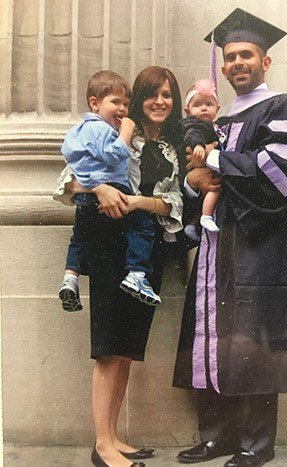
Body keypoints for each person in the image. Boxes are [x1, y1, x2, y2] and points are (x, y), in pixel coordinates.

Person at [173, 8, 287, 467]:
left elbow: (280, 172)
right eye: (230, 57)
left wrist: (215, 164)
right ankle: (216, 436)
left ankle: (257, 445)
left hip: (262, 251)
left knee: (255, 340)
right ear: (223, 67)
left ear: (265, 61)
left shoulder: (282, 108)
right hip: (220, 250)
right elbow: (194, 178)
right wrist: (192, 181)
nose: (237, 62)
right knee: (214, 338)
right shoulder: (216, 119)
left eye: (246, 55)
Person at [60, 66, 183, 467]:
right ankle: (101, 445)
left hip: (148, 251)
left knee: (128, 350)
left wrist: (138, 203)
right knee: (109, 349)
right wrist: (100, 187)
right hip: (111, 245)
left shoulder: (171, 148)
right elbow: (67, 181)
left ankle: (114, 435)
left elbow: (174, 203)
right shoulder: (112, 131)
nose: (159, 101)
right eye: (152, 94)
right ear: (138, 100)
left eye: (167, 94)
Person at [56, 70, 161, 312]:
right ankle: (136, 274)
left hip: (86, 199)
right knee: (142, 226)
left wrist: (90, 185)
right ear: (94, 103)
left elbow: (69, 160)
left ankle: (70, 278)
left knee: (79, 237)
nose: (123, 109)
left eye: (126, 103)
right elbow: (114, 155)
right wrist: (125, 132)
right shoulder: (102, 130)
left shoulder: (77, 131)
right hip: (113, 191)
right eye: (115, 102)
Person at [180, 78, 225, 239]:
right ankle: (204, 218)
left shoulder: (217, 126)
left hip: (211, 168)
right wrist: (199, 146)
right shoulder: (193, 123)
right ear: (188, 110)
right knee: (213, 191)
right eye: (197, 105)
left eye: (209, 104)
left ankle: (194, 223)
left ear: (217, 108)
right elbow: (193, 134)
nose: (204, 109)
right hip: (200, 166)